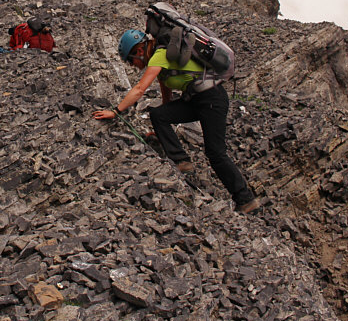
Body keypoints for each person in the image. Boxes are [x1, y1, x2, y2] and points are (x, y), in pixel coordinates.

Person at [93, 29, 261, 214]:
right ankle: (181, 162)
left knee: (215, 152)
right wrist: (162, 129)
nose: (132, 65)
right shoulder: (161, 61)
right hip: (197, 100)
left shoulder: (160, 55)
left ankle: (245, 200)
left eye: (130, 60)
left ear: (139, 51)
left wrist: (115, 112)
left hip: (212, 99)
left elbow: (140, 89)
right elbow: (167, 97)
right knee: (158, 115)